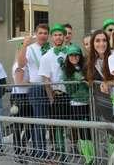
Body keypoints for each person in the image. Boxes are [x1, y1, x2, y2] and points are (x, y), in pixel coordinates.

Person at [17, 23, 50, 158]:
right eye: (40, 33)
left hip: (49, 87)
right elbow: (20, 64)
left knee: (46, 120)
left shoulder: (51, 48)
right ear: (36, 34)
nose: (43, 35)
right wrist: (24, 45)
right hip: (37, 88)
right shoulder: (30, 48)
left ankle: (41, 150)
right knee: (40, 120)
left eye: (45, 33)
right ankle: (39, 151)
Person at [38, 23, 68, 160]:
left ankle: (79, 151)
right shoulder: (46, 57)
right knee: (58, 127)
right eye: (55, 35)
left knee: (76, 125)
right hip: (58, 95)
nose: (58, 37)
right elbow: (46, 80)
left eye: (60, 34)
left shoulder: (70, 52)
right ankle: (60, 153)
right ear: (52, 37)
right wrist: (51, 98)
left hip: (72, 94)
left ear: (64, 36)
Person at [62, 44, 94, 164]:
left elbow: (92, 82)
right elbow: (69, 90)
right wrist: (77, 81)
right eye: (71, 55)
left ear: (80, 56)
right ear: (68, 57)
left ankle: (92, 156)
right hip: (76, 103)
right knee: (82, 130)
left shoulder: (85, 67)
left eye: (76, 55)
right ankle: (88, 157)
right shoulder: (66, 71)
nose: (74, 57)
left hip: (89, 102)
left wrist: (86, 81)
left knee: (89, 130)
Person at [86, 30, 114, 123]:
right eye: (97, 41)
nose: (101, 43)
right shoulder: (95, 61)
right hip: (111, 100)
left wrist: (107, 83)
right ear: (93, 43)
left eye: (104, 40)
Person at [10, 46, 33, 161]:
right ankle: (18, 152)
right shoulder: (19, 65)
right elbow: (19, 83)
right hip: (19, 98)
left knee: (30, 125)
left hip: (27, 97)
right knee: (18, 126)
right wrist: (32, 82)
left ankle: (22, 148)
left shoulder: (26, 65)